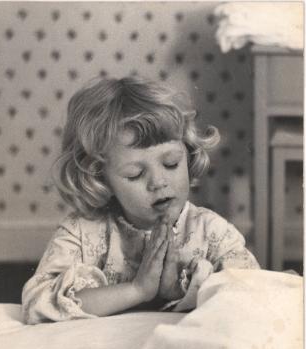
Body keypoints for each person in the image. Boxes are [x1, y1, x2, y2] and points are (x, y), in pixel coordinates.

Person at [22, 76, 260, 324]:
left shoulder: (213, 233)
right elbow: (36, 303)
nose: (158, 181)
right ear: (100, 178)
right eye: (135, 174)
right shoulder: (82, 232)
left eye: (171, 163)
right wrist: (138, 290)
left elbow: (252, 297)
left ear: (187, 157)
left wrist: (177, 292)